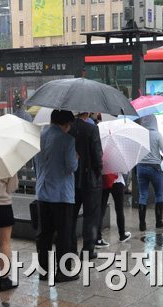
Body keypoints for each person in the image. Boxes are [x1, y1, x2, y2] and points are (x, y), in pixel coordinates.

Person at [35, 110, 79, 282]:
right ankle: (63, 272)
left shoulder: (39, 136)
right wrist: (76, 157)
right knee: (63, 234)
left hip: (42, 192)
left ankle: (44, 271)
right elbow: (71, 167)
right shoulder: (67, 140)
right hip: (61, 195)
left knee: (44, 234)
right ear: (65, 124)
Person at [69, 112, 103, 259]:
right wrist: (98, 171)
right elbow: (97, 155)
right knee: (91, 216)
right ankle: (88, 250)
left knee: (71, 216)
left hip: (72, 179)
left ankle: (71, 248)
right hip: (90, 180)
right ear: (87, 112)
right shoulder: (92, 129)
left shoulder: (68, 128)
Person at [136, 115, 163, 231]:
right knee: (159, 194)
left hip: (141, 168)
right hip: (154, 168)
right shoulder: (157, 135)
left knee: (143, 195)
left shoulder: (140, 135)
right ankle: (158, 222)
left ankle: (142, 224)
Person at [99, 173, 131, 245]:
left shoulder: (104, 160)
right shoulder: (118, 161)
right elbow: (124, 171)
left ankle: (98, 238)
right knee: (119, 209)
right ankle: (122, 235)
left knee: (101, 210)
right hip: (117, 181)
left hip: (105, 180)